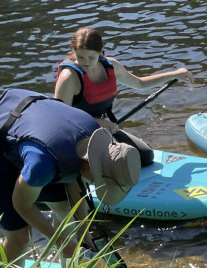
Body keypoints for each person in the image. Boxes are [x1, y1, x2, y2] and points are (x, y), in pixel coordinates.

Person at [0, 88, 141, 262]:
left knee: (68, 217)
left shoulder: (93, 139)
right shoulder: (41, 166)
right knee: (20, 234)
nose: (96, 184)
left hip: (36, 144)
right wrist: (61, 243)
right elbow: (22, 204)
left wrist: (83, 231)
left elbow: (75, 182)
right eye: (99, 180)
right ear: (92, 164)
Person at [53, 27, 192, 166]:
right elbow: (60, 118)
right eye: (80, 57)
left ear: (101, 51)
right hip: (76, 136)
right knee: (118, 164)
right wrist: (99, 122)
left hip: (102, 130)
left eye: (91, 57)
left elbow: (140, 83)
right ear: (73, 52)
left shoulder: (111, 66)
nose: (86, 62)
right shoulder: (69, 77)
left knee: (145, 156)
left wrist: (174, 74)